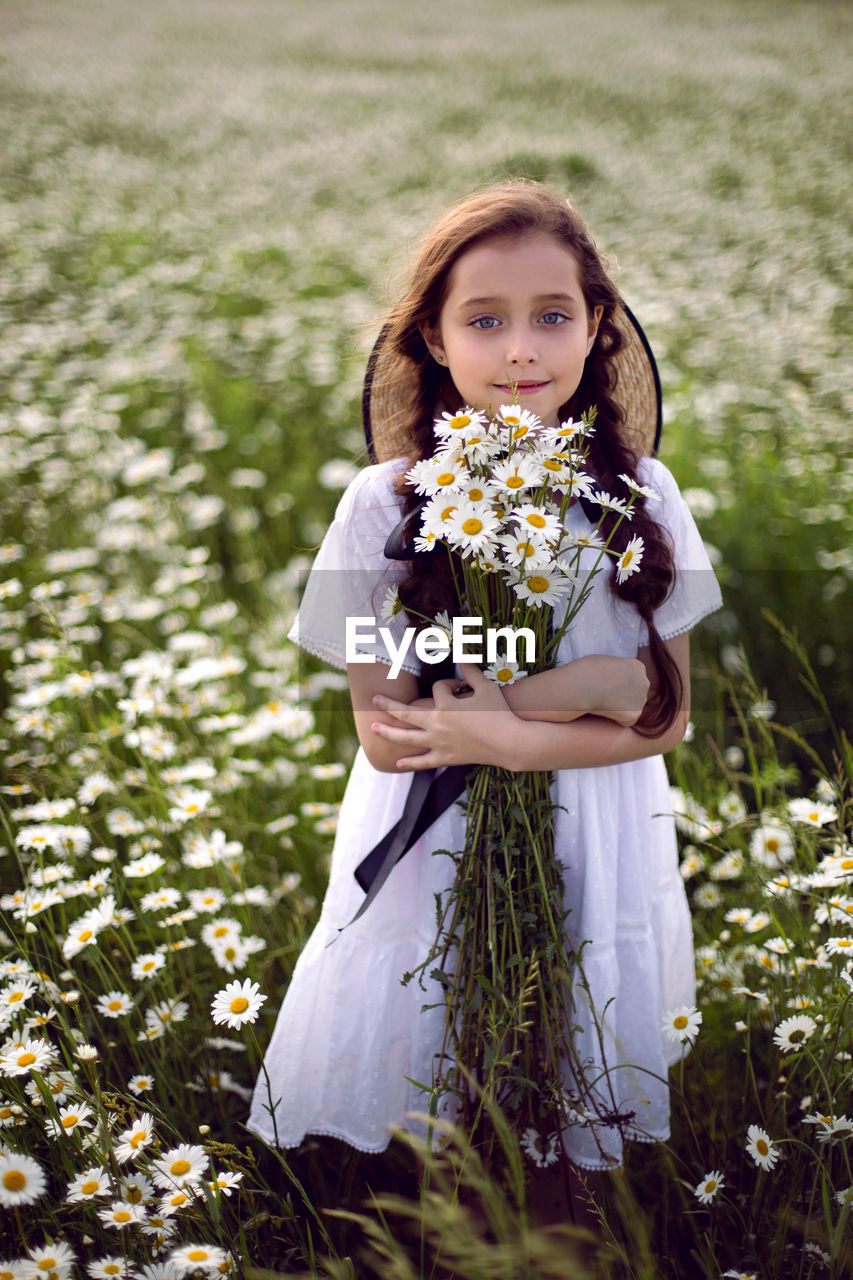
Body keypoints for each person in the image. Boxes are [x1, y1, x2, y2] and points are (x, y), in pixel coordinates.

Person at [247, 181, 722, 1222]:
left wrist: (507, 726)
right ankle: (454, 1224)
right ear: (432, 333)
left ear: (596, 327)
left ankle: (563, 1222)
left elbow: (666, 717)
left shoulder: (644, 494)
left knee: (568, 1041)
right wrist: (582, 689)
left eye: (553, 315)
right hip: (437, 839)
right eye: (485, 319)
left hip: (594, 824)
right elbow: (385, 732)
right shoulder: (378, 506)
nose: (521, 350)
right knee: (450, 1045)